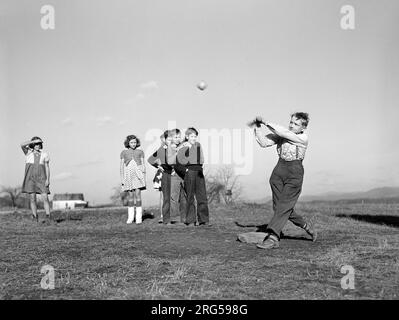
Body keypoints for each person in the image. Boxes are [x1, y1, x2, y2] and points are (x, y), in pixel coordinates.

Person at [253, 112, 317, 249]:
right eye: (291, 122)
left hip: (295, 172)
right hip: (279, 170)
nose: (292, 125)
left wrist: (265, 121)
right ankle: (306, 225)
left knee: (283, 206)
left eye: (296, 124)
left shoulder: (302, 138)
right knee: (279, 207)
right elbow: (263, 143)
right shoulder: (281, 135)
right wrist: (258, 127)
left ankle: (273, 237)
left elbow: (283, 133)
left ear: (303, 128)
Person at [176, 127, 210, 226]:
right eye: (192, 136)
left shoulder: (198, 145)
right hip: (189, 172)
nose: (194, 138)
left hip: (199, 171)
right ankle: (191, 221)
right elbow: (178, 163)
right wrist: (186, 171)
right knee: (190, 197)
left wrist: (200, 166)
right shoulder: (182, 147)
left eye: (195, 136)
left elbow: (202, 159)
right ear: (187, 136)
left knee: (202, 196)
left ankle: (203, 220)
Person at [20, 136, 51, 223]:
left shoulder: (45, 155)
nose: (37, 145)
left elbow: (47, 168)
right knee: (32, 198)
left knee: (45, 197)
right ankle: (34, 217)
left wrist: (48, 179)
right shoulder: (28, 153)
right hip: (30, 179)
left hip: (41, 178)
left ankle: (48, 217)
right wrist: (33, 141)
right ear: (32, 144)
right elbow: (22, 145)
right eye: (36, 144)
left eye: (39, 144)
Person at [148, 130, 174, 225]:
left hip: (175, 174)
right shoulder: (162, 149)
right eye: (168, 138)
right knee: (166, 197)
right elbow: (150, 159)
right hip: (166, 174)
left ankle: (177, 217)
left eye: (172, 138)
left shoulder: (175, 149)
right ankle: (166, 220)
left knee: (173, 197)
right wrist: (158, 166)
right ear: (165, 139)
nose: (170, 140)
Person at [120, 135, 146, 224]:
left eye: (135, 142)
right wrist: (122, 178)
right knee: (130, 196)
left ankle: (139, 217)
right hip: (128, 175)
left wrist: (143, 176)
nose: (133, 144)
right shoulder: (124, 152)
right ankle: (130, 217)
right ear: (128, 143)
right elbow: (121, 167)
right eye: (131, 142)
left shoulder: (140, 152)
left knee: (138, 194)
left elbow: (143, 165)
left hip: (138, 175)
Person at [167, 128, 187, 225]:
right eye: (175, 137)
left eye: (179, 137)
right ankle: (175, 218)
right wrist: (177, 152)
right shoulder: (170, 148)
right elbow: (170, 161)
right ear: (171, 138)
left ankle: (185, 217)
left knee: (185, 196)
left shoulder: (182, 146)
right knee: (173, 197)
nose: (178, 139)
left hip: (183, 173)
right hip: (174, 174)